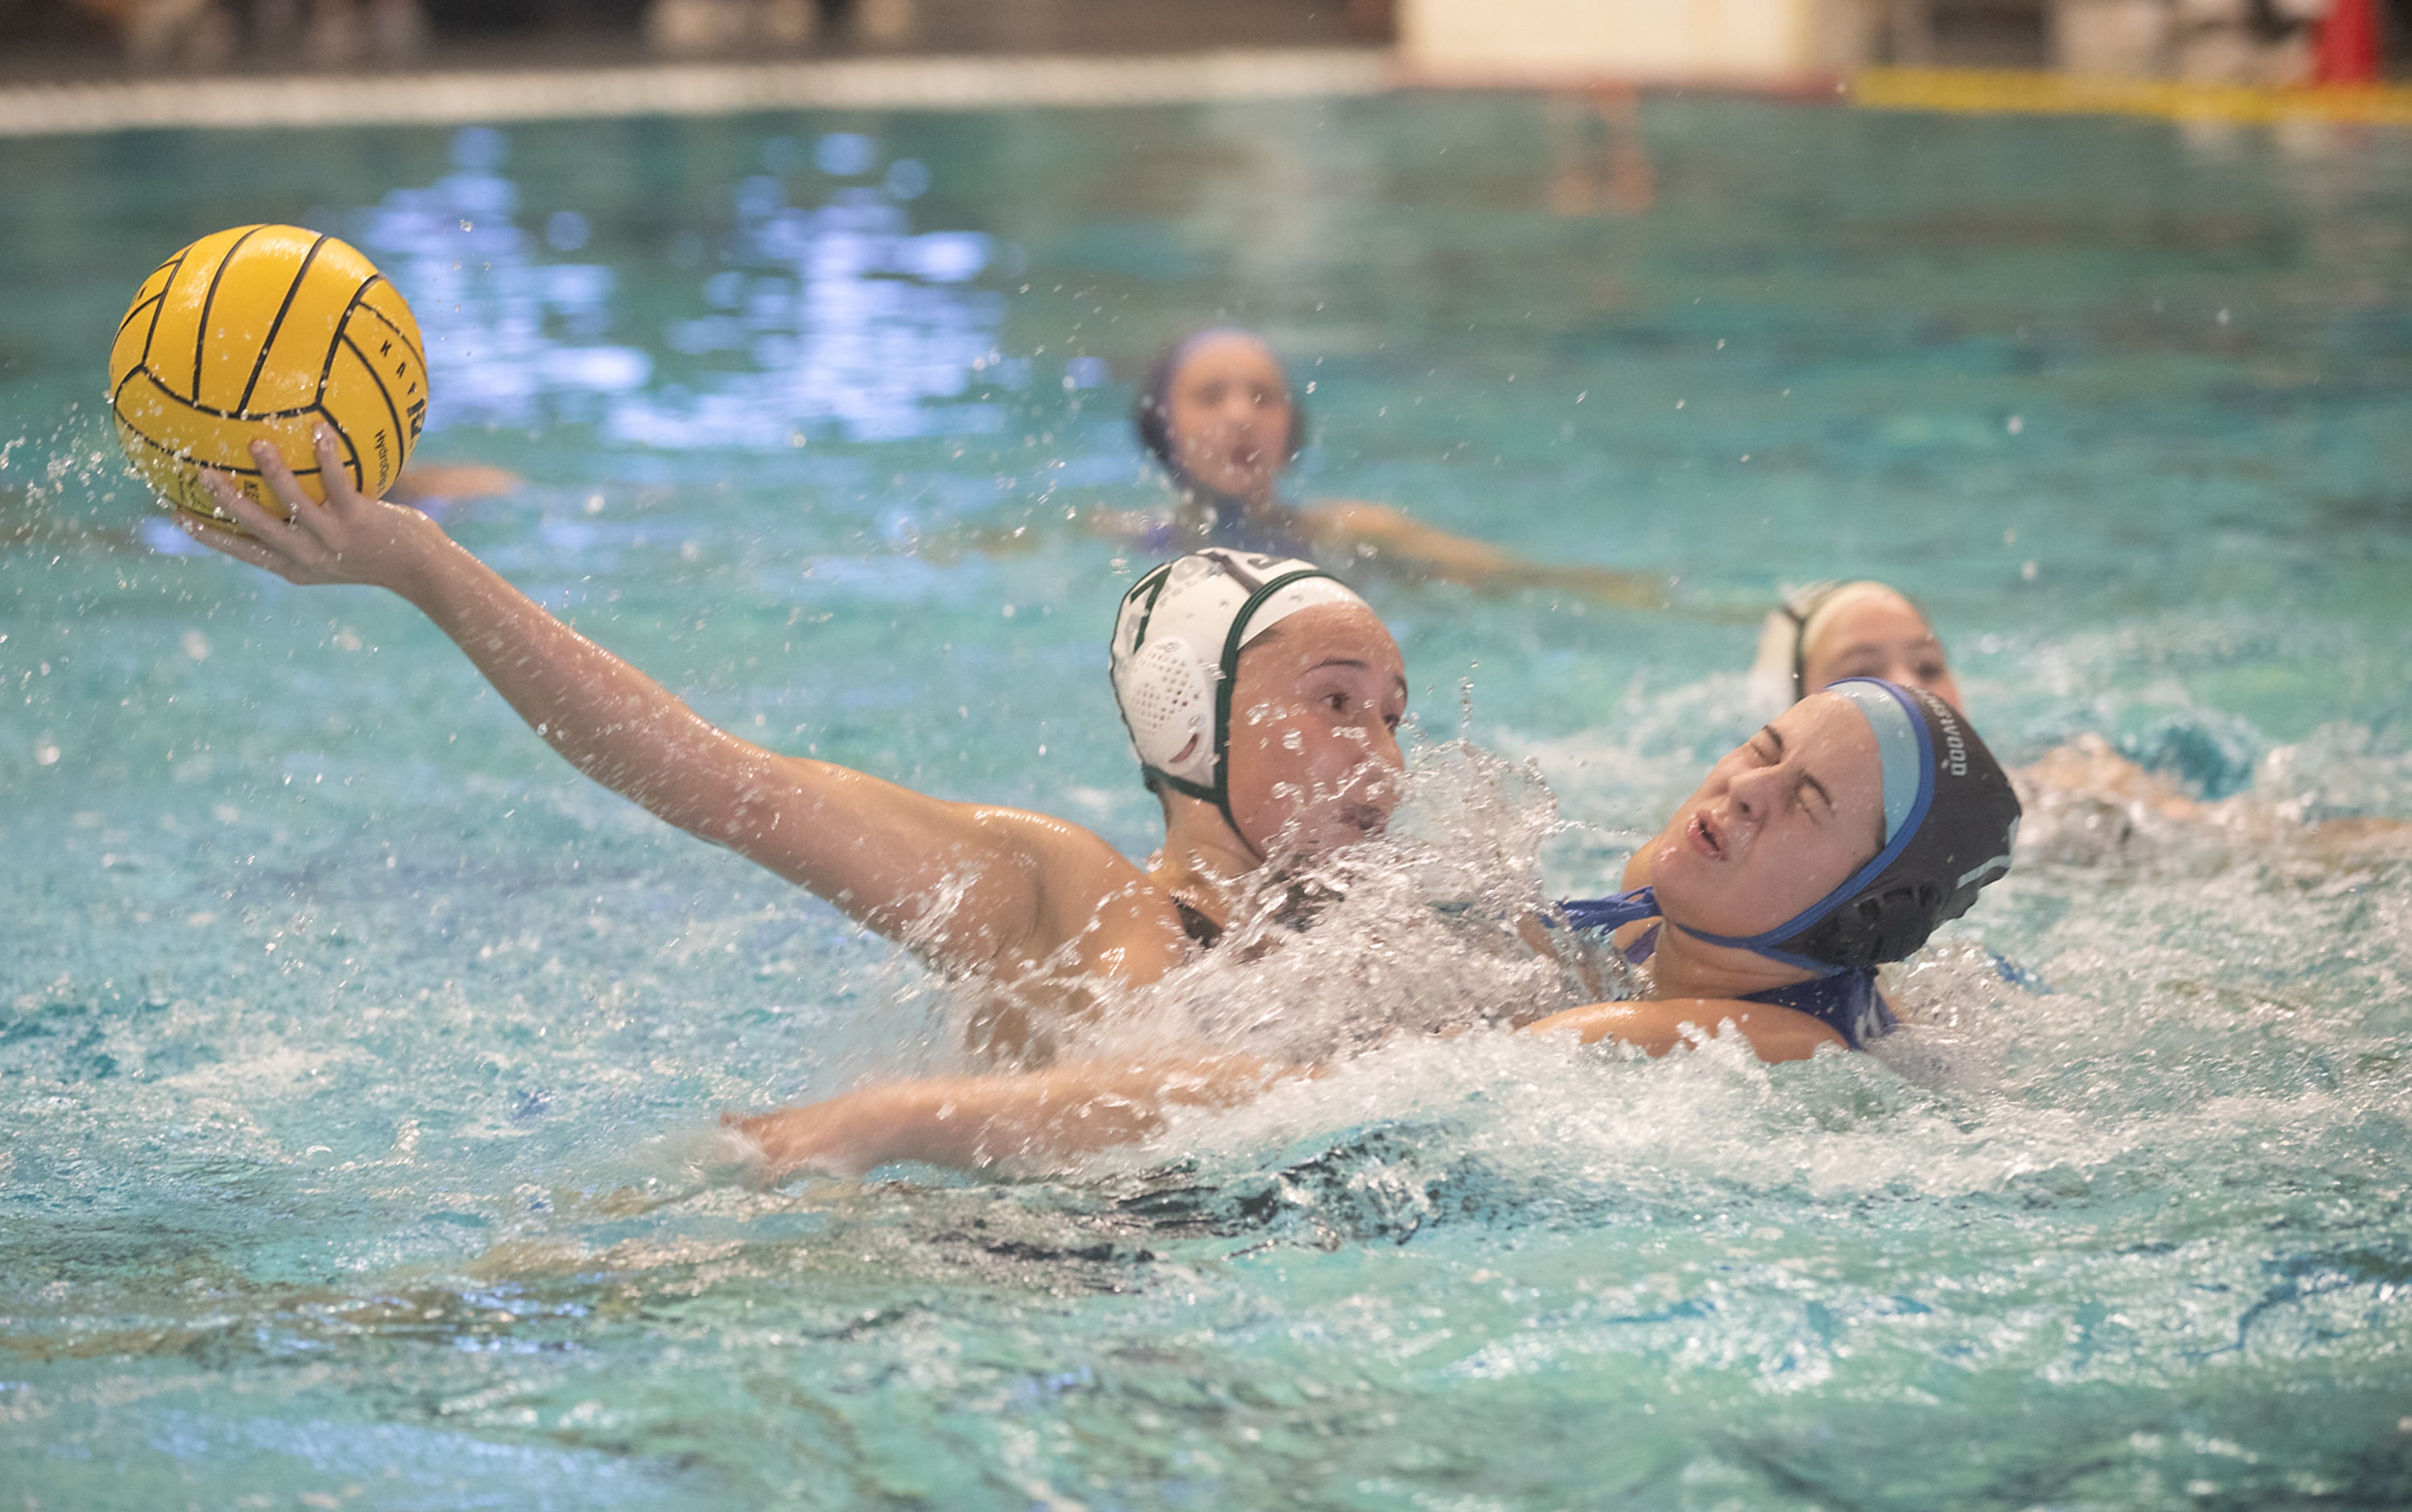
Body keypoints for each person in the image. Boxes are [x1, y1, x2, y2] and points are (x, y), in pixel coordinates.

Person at [183, 431, 1408, 1064]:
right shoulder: (1063, 901)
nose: (1382, 758)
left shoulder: (1401, 946)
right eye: (1337, 702)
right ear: (1191, 720)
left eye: (1395, 716)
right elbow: (721, 785)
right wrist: (428, 569)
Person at [726, 679, 2024, 1179]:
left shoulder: (1732, 1036)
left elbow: (1308, 1096)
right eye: (1760, 746)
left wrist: (901, 1118)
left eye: (1802, 801)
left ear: (1864, 910)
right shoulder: (1662, 917)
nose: (1740, 788)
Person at [1748, 579, 2410, 861]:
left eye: (1927, 666)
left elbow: (2250, 844)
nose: (1907, 690)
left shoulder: (2055, 787)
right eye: (1860, 672)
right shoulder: (1742, 824)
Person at [1112, 328, 1665, 609]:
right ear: (1160, 426)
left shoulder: (1352, 533)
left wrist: (1633, 593)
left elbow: (1520, 579)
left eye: (1263, 398)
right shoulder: (1129, 538)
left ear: (1291, 430)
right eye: (1210, 397)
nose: (1240, 417)